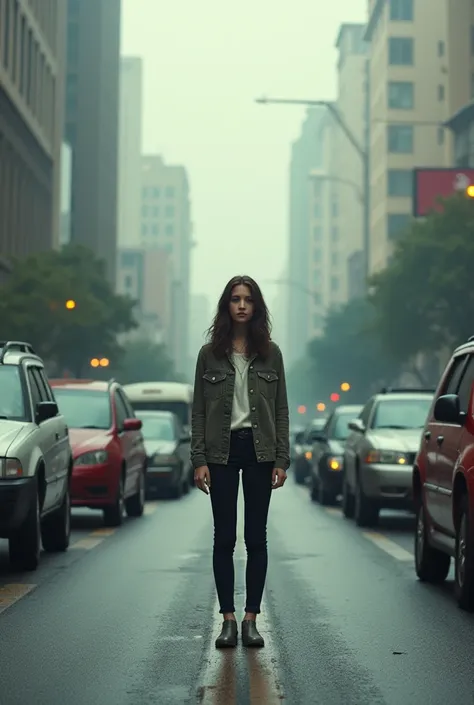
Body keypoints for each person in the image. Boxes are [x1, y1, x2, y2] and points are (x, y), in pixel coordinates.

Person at [191, 275, 289, 649]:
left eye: (248, 299)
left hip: (261, 451)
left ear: (256, 306)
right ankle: (227, 620)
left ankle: (251, 619)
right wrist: (199, 458)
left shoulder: (271, 353)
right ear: (226, 305)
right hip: (221, 453)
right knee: (224, 537)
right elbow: (198, 410)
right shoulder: (208, 354)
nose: (242, 305)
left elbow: (280, 410)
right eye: (235, 299)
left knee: (256, 537)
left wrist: (282, 457)